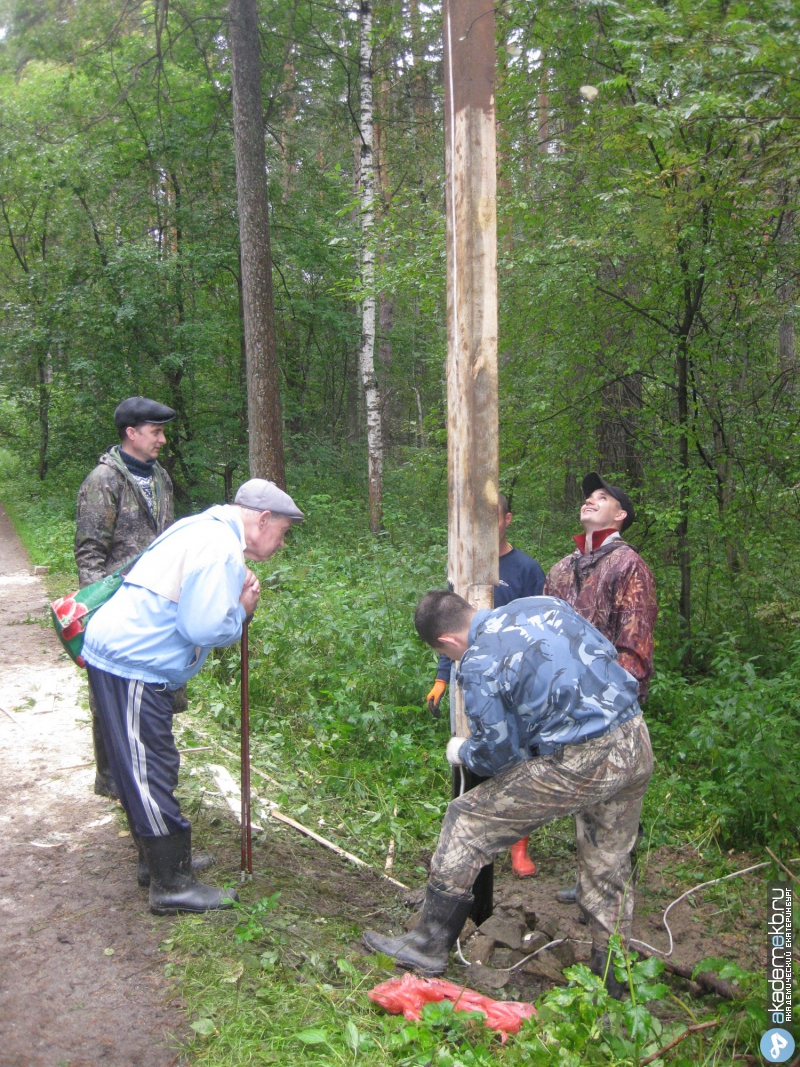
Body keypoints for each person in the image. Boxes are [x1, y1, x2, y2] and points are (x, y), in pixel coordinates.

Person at [363, 591, 653, 997]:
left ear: (446, 642)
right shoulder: (541, 604)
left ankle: (426, 944)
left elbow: (499, 755)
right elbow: (601, 650)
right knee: (607, 860)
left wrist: (462, 749)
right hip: (635, 738)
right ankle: (615, 978)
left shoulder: (479, 660)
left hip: (585, 759)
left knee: (467, 820)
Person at [81, 479, 304, 915]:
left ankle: (159, 862)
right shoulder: (219, 546)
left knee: (144, 763)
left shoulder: (204, 527)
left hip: (125, 658)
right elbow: (202, 627)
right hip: (132, 664)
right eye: (284, 531)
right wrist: (241, 611)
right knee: (150, 769)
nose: (281, 543)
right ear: (263, 520)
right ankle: (171, 884)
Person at [544, 472, 657, 906]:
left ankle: (610, 893)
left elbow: (635, 647)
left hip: (612, 712)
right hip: (568, 709)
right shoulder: (561, 569)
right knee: (584, 798)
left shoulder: (628, 565)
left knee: (614, 806)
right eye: (588, 495)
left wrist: (611, 704)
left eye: (603, 497)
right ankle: (588, 878)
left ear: (621, 514)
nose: (590, 500)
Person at [425, 494, 545, 878]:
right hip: (470, 680)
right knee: (468, 751)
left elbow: (537, 627)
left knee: (518, 760)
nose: (485, 522)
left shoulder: (526, 569)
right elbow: (448, 628)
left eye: (493, 515)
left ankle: (518, 846)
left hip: (514, 682)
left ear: (507, 518)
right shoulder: (461, 567)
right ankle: (471, 837)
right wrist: (443, 678)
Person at [75, 396, 177, 799]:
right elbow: (89, 554)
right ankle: (114, 781)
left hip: (157, 605)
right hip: (117, 609)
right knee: (112, 697)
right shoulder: (103, 480)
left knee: (152, 691)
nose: (163, 440)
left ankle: (149, 779)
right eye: (156, 432)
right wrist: (98, 616)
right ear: (131, 433)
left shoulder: (161, 478)